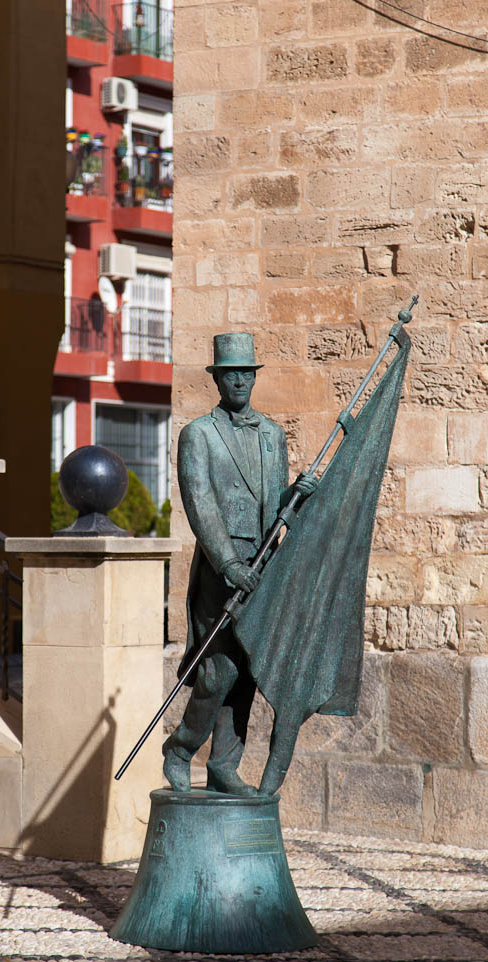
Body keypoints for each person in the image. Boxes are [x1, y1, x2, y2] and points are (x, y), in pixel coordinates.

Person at [163, 332, 316, 796]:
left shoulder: (271, 434)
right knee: (218, 671)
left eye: (246, 373)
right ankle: (182, 748)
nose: (239, 381)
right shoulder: (199, 435)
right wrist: (228, 563)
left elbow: (273, 505)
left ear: (253, 377)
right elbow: (200, 503)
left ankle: (224, 766)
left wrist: (297, 496)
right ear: (217, 379)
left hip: (265, 564)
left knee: (249, 670)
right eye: (231, 374)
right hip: (222, 568)